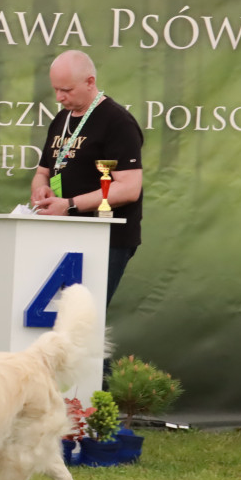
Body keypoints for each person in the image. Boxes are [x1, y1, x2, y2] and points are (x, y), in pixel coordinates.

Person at [31, 50, 144, 307]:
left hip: (106, 237)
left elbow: (128, 189)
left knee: (83, 318)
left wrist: (69, 204)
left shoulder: (117, 122)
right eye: (56, 90)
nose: (60, 97)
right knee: (57, 316)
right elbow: (43, 173)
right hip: (63, 232)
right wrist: (41, 191)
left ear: (90, 82)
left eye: (67, 90)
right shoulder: (61, 119)